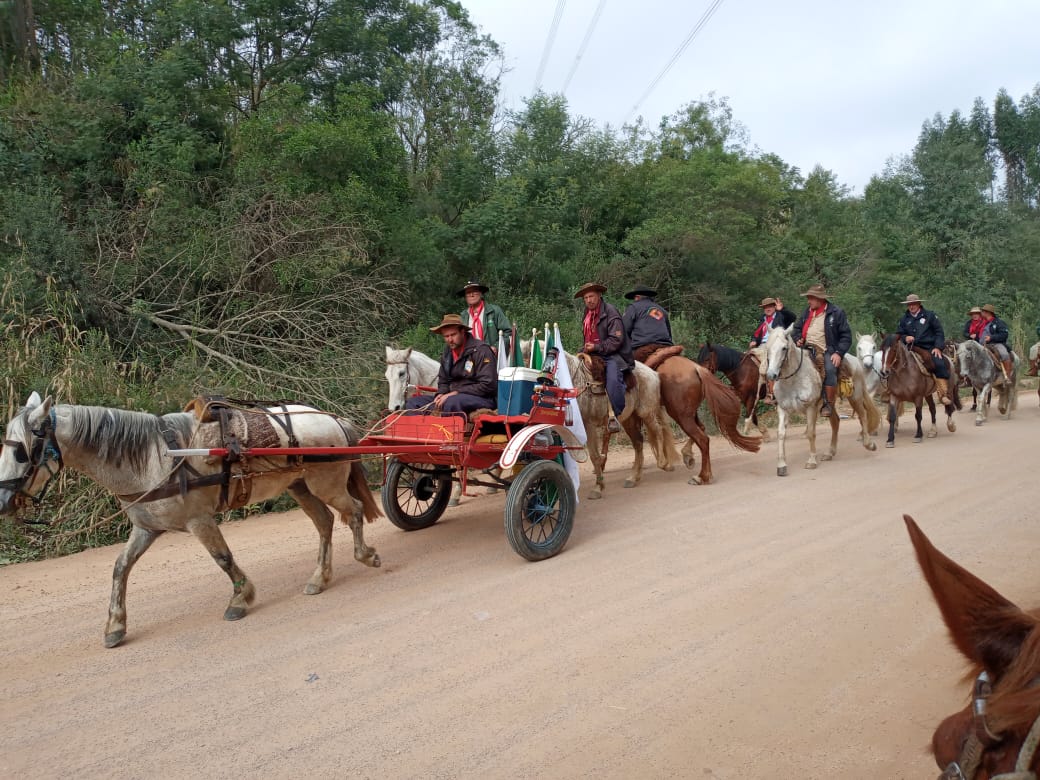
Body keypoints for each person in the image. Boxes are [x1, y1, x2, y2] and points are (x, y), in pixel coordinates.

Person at [405, 314, 497, 414]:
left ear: (462, 332)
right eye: (446, 336)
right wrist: (441, 393)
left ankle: (446, 429)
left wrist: (456, 392)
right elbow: (443, 381)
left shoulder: (481, 350)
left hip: (482, 399)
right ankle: (426, 429)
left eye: (453, 335)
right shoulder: (447, 353)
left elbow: (488, 384)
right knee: (413, 403)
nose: (450, 340)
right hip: (452, 397)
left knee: (451, 402)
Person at [577, 282, 634, 434]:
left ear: (599, 295)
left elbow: (616, 340)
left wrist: (596, 347)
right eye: (586, 298)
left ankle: (614, 415)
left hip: (612, 355)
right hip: (592, 353)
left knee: (613, 383)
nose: (589, 300)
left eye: (591, 296)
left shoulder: (610, 312)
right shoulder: (587, 314)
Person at [793, 283, 851, 417]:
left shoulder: (836, 313)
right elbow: (796, 329)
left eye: (811, 298)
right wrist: (797, 339)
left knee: (830, 369)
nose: (809, 301)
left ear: (820, 299)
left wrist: (838, 353)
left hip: (826, 350)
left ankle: (828, 404)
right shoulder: (807, 312)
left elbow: (846, 336)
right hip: (805, 348)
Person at [896, 293, 952, 405]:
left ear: (919, 304)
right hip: (910, 348)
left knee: (939, 363)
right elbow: (899, 334)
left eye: (913, 304)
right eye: (909, 305)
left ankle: (943, 393)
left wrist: (938, 347)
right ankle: (894, 390)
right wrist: (905, 337)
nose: (911, 307)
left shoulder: (930, 315)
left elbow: (939, 332)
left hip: (929, 347)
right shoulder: (904, 319)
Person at [458, 279, 511, 355]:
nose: (471, 295)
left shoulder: (494, 311)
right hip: (470, 357)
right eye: (468, 292)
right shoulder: (463, 316)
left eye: (475, 291)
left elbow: (508, 333)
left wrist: (496, 347)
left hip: (491, 357)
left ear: (481, 293)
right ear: (465, 297)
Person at [622, 284, 673, 363]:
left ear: (637, 297)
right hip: (666, 346)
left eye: (634, 298)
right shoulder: (663, 311)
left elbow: (624, 330)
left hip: (644, 347)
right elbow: (669, 334)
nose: (634, 300)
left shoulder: (633, 307)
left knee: (624, 368)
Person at [979, 303, 1014, 379]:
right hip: (981, 345)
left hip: (996, 344)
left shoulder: (999, 322)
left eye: (983, 311)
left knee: (1004, 354)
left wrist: (991, 338)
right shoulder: (982, 323)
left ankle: (1007, 376)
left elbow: (1004, 334)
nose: (981, 313)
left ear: (988, 312)